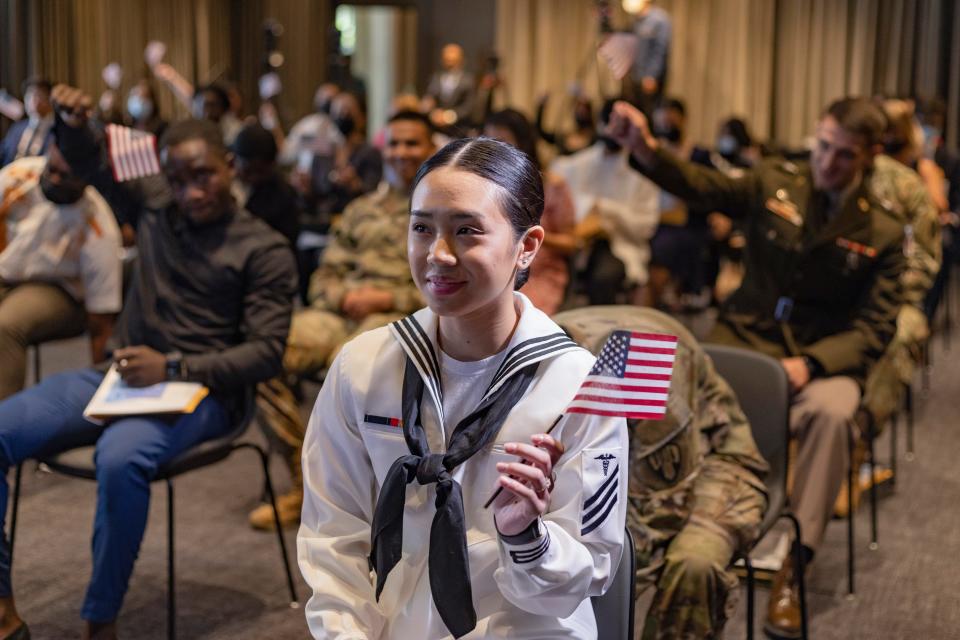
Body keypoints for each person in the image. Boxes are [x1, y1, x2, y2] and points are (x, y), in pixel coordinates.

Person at [298, 137, 627, 639]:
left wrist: (525, 538)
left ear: (527, 247)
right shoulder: (363, 367)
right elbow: (332, 539)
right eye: (421, 228)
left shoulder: (578, 386)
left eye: (467, 230)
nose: (438, 255)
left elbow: (583, 580)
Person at [0, 85, 297, 640]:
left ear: (228, 165)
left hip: (207, 393)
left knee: (119, 458)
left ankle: (101, 620)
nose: (191, 192)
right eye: (178, 180)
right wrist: (71, 122)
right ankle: (2, 611)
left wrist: (176, 367)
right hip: (121, 379)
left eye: (204, 175)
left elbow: (264, 354)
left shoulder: (264, 249)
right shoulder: (157, 203)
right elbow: (89, 160)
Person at [609, 97, 905, 640]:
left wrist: (812, 363)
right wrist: (646, 150)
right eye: (824, 146)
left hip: (821, 355)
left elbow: (876, 329)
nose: (828, 163)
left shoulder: (882, 231)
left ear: (868, 156)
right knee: (669, 387)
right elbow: (704, 185)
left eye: (843, 156)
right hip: (742, 337)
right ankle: (652, 527)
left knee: (834, 416)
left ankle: (795, 563)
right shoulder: (775, 180)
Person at [249, 111, 436, 530]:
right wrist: (344, 295)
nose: (402, 152)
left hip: (404, 314)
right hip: (342, 310)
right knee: (264, 352)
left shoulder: (442, 211)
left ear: (431, 150)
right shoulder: (360, 209)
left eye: (413, 144)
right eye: (396, 143)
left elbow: (449, 283)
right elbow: (324, 275)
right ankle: (307, 484)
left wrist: (387, 295)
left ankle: (361, 498)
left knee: (347, 364)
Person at [555, 305, 768, 640]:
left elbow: (661, 507)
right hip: (611, 461)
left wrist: (578, 582)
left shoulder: (638, 357)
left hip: (713, 460)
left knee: (694, 564)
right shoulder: (527, 350)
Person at [844, 102, 942, 511]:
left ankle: (855, 451)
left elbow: (922, 260)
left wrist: (881, 297)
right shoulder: (831, 172)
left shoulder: (906, 187)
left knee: (895, 336)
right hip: (833, 296)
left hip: (891, 300)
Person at [0, 145, 122, 400]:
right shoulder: (18, 176)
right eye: (52, 169)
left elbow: (101, 321)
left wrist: (104, 396)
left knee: (6, 325)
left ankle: (4, 422)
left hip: (61, 291)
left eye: (66, 176)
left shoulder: (98, 225)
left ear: (87, 179)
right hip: (6, 272)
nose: (54, 179)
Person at [551, 100, 660, 305]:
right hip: (578, 240)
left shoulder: (641, 173)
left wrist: (606, 210)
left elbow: (645, 227)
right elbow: (560, 180)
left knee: (604, 278)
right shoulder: (579, 163)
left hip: (619, 244)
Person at [484, 108, 577, 314]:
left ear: (523, 144)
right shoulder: (482, 186)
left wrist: (529, 235)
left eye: (503, 143)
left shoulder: (552, 185)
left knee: (513, 316)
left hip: (538, 272)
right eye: (488, 144)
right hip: (491, 269)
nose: (494, 153)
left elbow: (571, 243)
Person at [645, 98, 713, 310]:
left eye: (672, 121)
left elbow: (708, 190)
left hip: (687, 222)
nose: (667, 126)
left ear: (683, 120)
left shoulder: (699, 154)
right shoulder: (653, 152)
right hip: (653, 219)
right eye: (664, 122)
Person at [298, 92, 382, 223]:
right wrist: (306, 190)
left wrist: (355, 185)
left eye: (348, 111)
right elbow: (313, 200)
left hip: (357, 221)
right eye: (337, 111)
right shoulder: (322, 152)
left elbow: (375, 195)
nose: (342, 115)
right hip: (321, 223)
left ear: (362, 118)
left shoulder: (370, 153)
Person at [232, 122, 301, 248]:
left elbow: (285, 242)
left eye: (261, 172)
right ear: (233, 160)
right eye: (248, 171)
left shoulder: (283, 195)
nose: (254, 178)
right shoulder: (222, 188)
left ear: (273, 165)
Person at [623, 0, 671, 116]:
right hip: (635, 77)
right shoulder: (635, 22)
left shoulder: (659, 20)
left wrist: (652, 75)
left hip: (649, 79)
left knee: (650, 114)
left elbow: (660, 50)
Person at [0, 78, 54, 168]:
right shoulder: (17, 127)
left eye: (38, 95)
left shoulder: (58, 130)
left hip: (38, 178)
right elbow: (4, 151)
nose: (33, 101)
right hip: (8, 176)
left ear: (50, 99)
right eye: (29, 96)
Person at [423, 43, 476, 130]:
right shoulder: (436, 78)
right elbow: (430, 98)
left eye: (454, 61)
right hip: (436, 127)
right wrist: (432, 112)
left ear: (461, 61)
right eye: (447, 60)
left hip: (459, 128)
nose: (450, 64)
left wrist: (448, 117)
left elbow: (469, 107)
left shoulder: (469, 81)